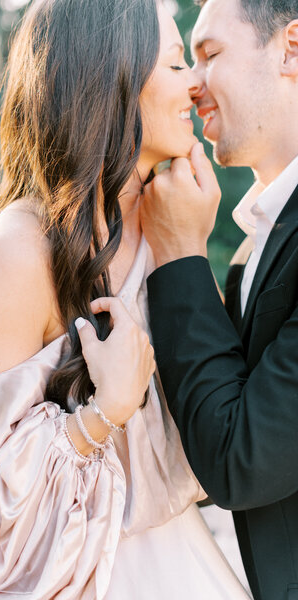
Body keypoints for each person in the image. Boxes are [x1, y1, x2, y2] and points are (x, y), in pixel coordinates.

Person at [0, 1, 251, 599]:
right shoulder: (28, 248)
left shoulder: (170, 230)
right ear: (113, 77)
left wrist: (188, 252)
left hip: (185, 565)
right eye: (178, 63)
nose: (196, 83)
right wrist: (106, 413)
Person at [140, 0, 298, 599]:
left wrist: (180, 252)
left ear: (290, 48)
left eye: (209, 55)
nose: (191, 83)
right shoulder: (251, 249)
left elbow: (240, 460)